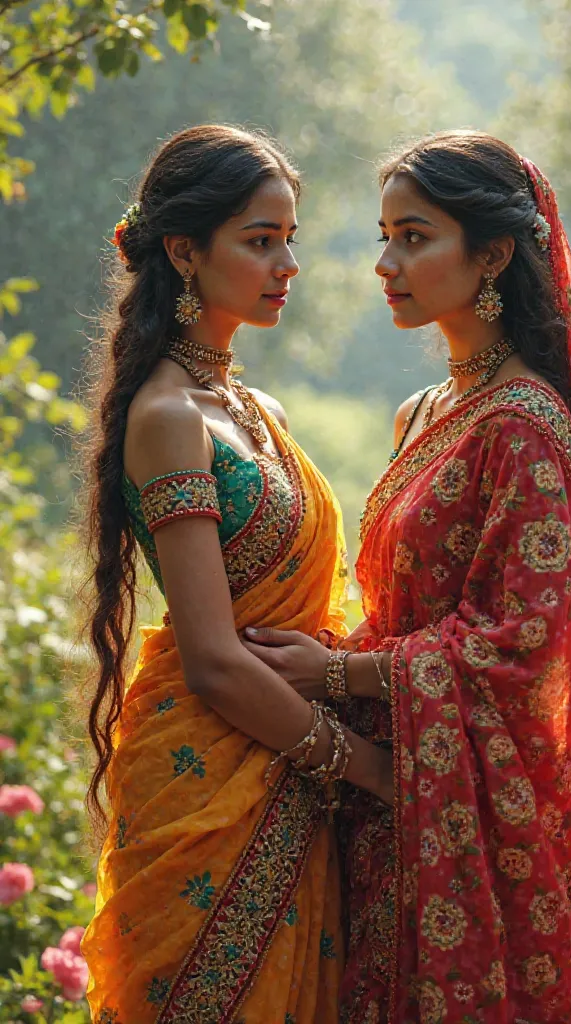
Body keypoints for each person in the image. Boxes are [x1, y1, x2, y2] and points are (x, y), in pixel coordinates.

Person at [243, 130, 571, 1023]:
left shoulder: (524, 426)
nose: (385, 263)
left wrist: (332, 675)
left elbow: (521, 646)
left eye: (415, 237)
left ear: (491, 253)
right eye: (384, 235)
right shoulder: (429, 411)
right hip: (395, 801)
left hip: (484, 834)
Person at [79, 124, 392, 1024]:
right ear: (184, 250)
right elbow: (214, 660)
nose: (286, 263)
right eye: (260, 241)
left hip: (291, 767)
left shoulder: (260, 409)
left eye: (289, 237)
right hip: (213, 779)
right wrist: (367, 767)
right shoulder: (169, 416)